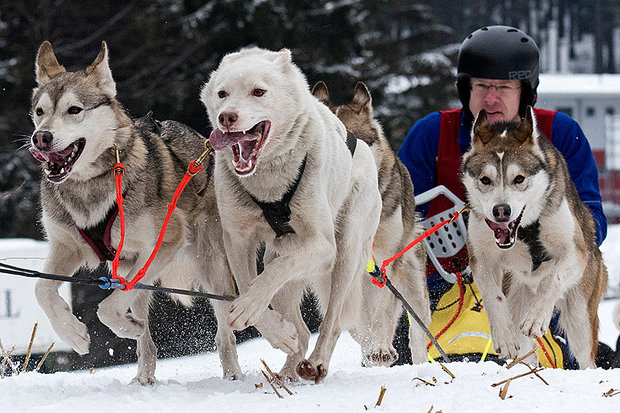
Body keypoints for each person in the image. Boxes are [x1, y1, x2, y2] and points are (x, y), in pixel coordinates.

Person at [395, 25, 607, 368]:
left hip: (537, 288)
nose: (490, 98)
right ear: (466, 89)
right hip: (437, 293)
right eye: (480, 86)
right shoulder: (432, 135)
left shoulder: (557, 134)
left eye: (504, 87)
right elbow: (393, 217)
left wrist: (538, 241)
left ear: (525, 93)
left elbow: (593, 223)